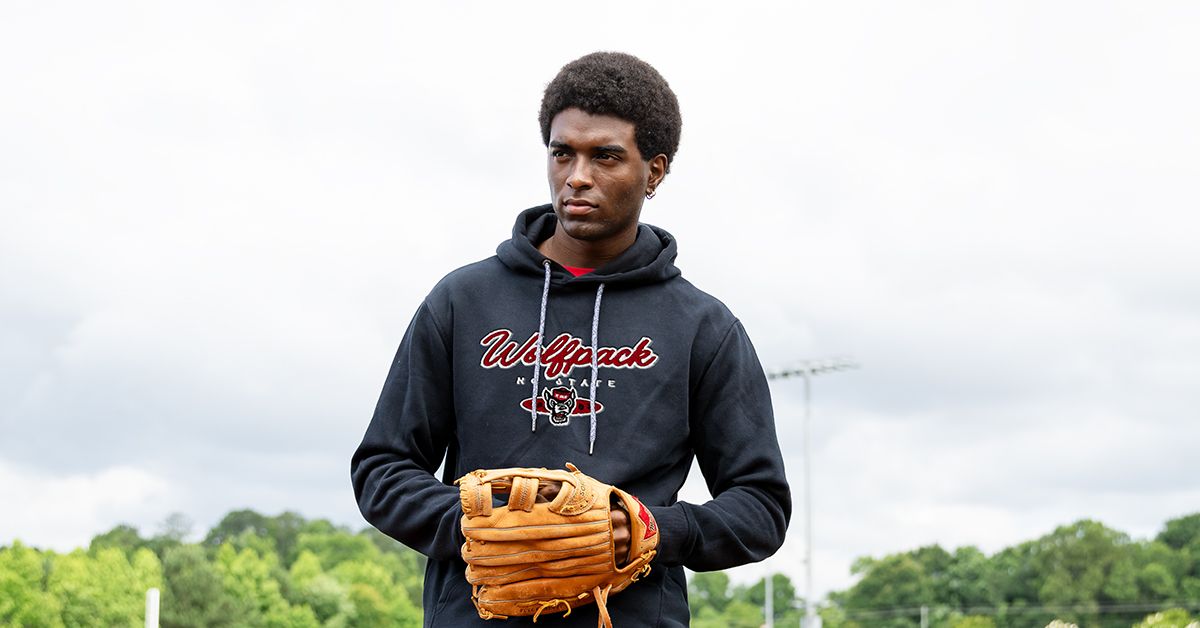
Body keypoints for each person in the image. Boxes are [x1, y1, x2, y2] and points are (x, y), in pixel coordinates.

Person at [352, 51, 791, 627]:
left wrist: (651, 529)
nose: (577, 176)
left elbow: (761, 508)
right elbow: (382, 468)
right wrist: (478, 524)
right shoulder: (462, 301)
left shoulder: (702, 327)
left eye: (605, 156)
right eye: (563, 153)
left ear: (654, 171)